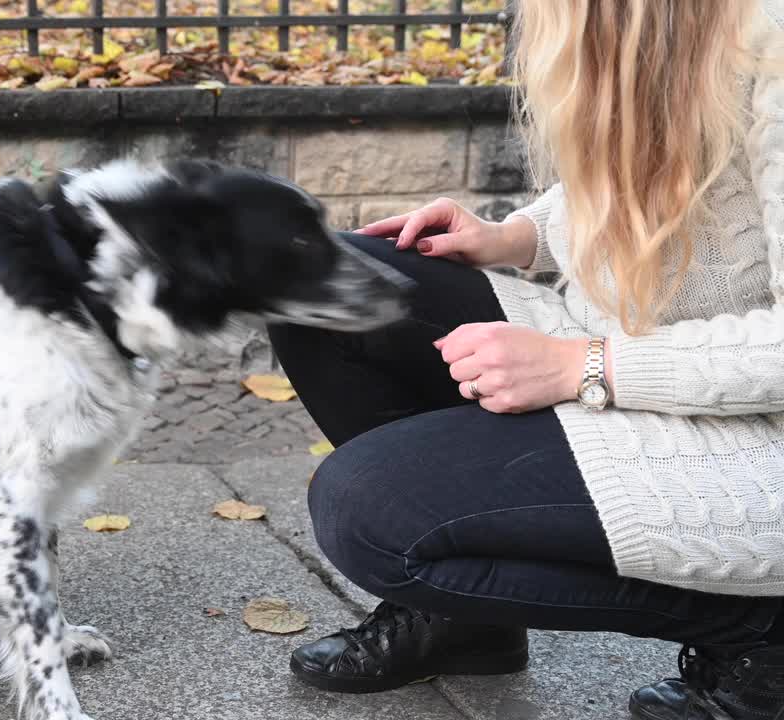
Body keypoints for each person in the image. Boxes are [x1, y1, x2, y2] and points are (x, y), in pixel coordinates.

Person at [266, 1, 784, 718]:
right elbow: (653, 174)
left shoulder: (773, 45)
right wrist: (517, 236)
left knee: (366, 512)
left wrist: (584, 367)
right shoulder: (651, 27)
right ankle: (467, 621)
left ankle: (765, 637)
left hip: (757, 434)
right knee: (321, 286)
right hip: (632, 353)